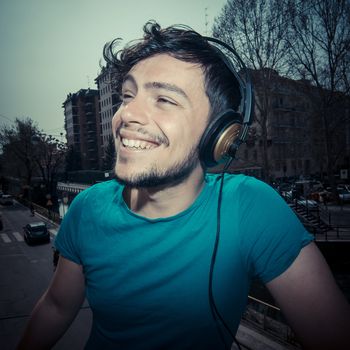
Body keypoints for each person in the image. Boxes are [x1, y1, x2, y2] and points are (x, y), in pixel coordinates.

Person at [17, 21, 350, 350]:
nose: (126, 114)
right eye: (128, 95)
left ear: (218, 136)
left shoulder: (250, 207)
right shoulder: (87, 208)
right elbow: (57, 306)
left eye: (164, 99)